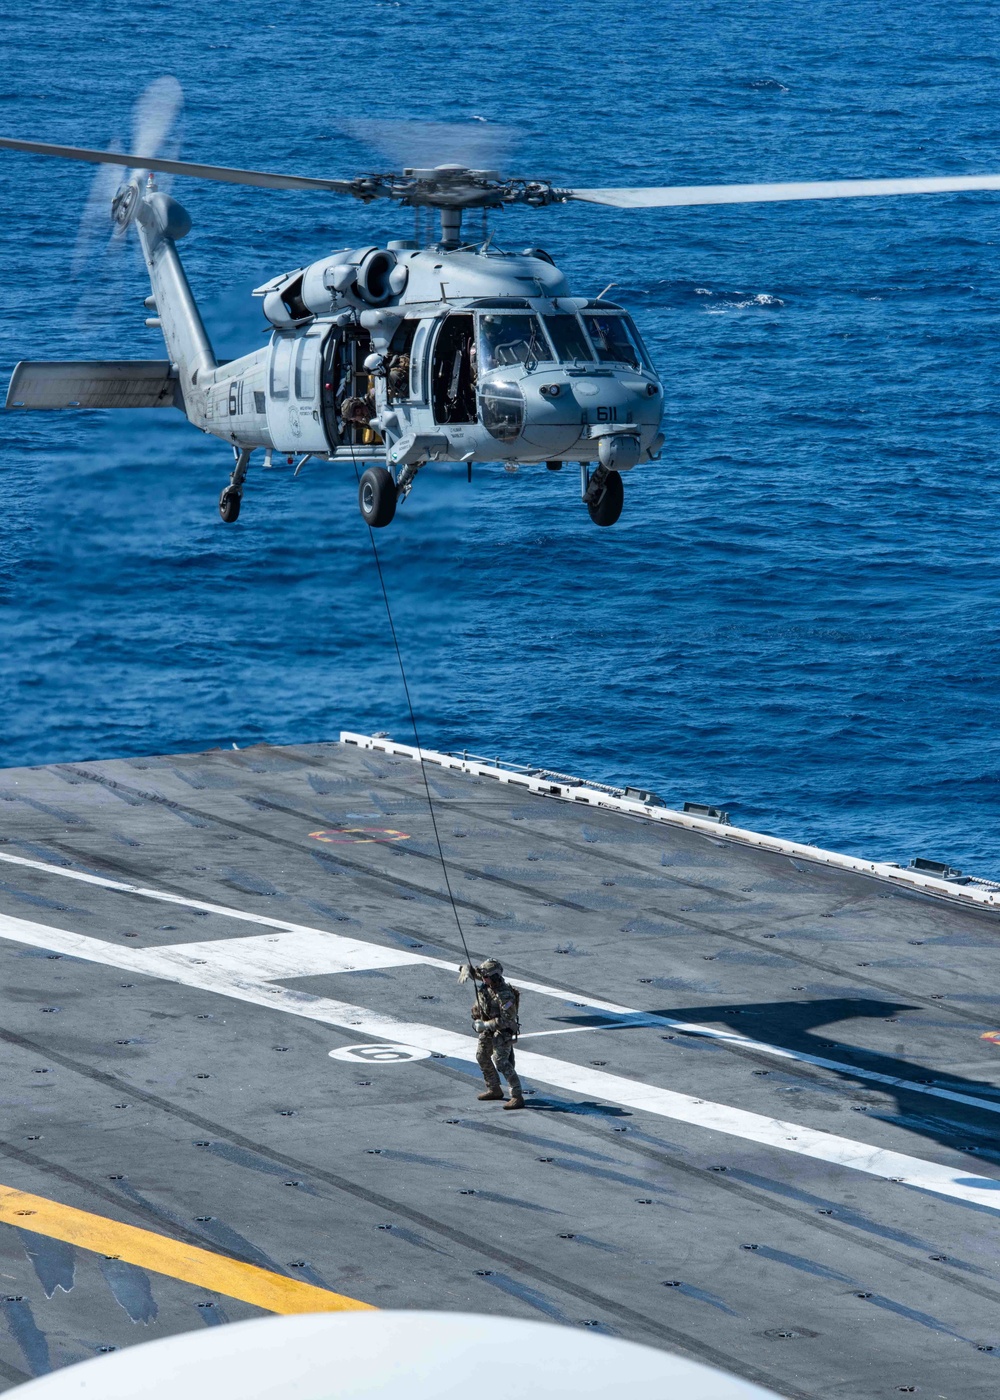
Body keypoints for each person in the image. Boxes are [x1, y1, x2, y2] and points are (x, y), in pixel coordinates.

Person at [460, 958, 524, 1110]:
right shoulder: (487, 980)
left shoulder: (505, 995)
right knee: (481, 1056)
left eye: (486, 977)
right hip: (488, 1029)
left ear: (494, 977)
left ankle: (517, 1095)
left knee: (501, 1061)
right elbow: (474, 972)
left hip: (502, 1031)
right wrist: (465, 968)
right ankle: (494, 1088)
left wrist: (485, 1025)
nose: (483, 979)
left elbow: (507, 1019)